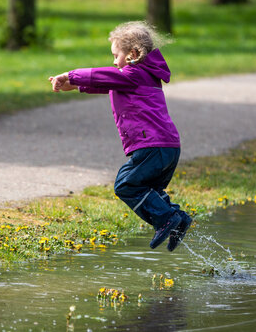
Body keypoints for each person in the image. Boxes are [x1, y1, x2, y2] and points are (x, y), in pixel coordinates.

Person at [48, 21, 192, 252]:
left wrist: (70, 74)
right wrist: (73, 85)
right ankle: (178, 219)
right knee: (146, 189)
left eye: (116, 56)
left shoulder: (133, 74)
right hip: (166, 146)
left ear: (133, 54)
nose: (114, 61)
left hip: (152, 146)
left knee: (126, 184)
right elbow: (108, 82)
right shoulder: (142, 75)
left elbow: (105, 75)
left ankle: (166, 219)